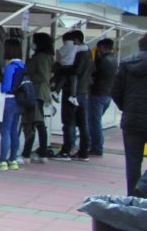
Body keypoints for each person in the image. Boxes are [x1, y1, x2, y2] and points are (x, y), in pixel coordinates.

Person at [112, 34, 147, 195]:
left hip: (131, 118)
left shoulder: (126, 63)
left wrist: (125, 107)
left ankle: (132, 196)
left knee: (132, 161)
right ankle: (143, 186)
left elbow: (115, 91)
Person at [54, 30, 92, 161]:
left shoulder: (78, 53)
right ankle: (83, 152)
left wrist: (60, 67)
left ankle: (66, 151)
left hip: (72, 92)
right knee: (83, 123)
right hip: (83, 92)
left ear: (75, 40)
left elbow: (74, 71)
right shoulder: (88, 53)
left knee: (68, 122)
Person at [0, 38, 26, 171]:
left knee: (5, 131)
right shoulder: (22, 66)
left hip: (9, 101)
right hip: (19, 102)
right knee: (13, 131)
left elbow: (6, 87)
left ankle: (2, 161)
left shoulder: (10, 67)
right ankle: (13, 160)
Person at [22, 32, 53, 163]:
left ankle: (27, 154)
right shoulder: (47, 56)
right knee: (38, 123)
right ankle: (41, 153)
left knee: (34, 122)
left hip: (37, 92)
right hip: (41, 92)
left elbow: (43, 76)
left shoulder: (41, 57)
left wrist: (28, 77)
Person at [87, 38, 117, 157]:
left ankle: (97, 147)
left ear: (103, 47)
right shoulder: (114, 60)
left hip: (97, 94)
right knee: (96, 121)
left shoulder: (101, 60)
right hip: (107, 94)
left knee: (94, 122)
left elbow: (93, 74)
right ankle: (96, 145)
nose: (98, 50)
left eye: (98, 48)